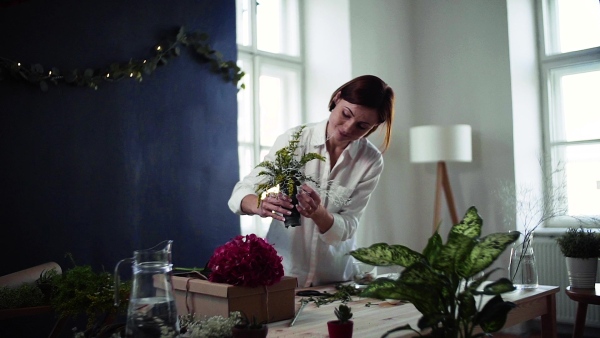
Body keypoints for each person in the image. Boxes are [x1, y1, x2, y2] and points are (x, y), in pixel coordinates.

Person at [228, 75, 395, 287]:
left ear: (373, 127)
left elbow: (349, 224)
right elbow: (240, 193)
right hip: (285, 275)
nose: (348, 128)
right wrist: (259, 204)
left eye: (362, 126)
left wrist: (319, 214)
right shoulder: (295, 140)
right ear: (336, 98)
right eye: (346, 114)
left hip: (335, 279)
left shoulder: (370, 161)